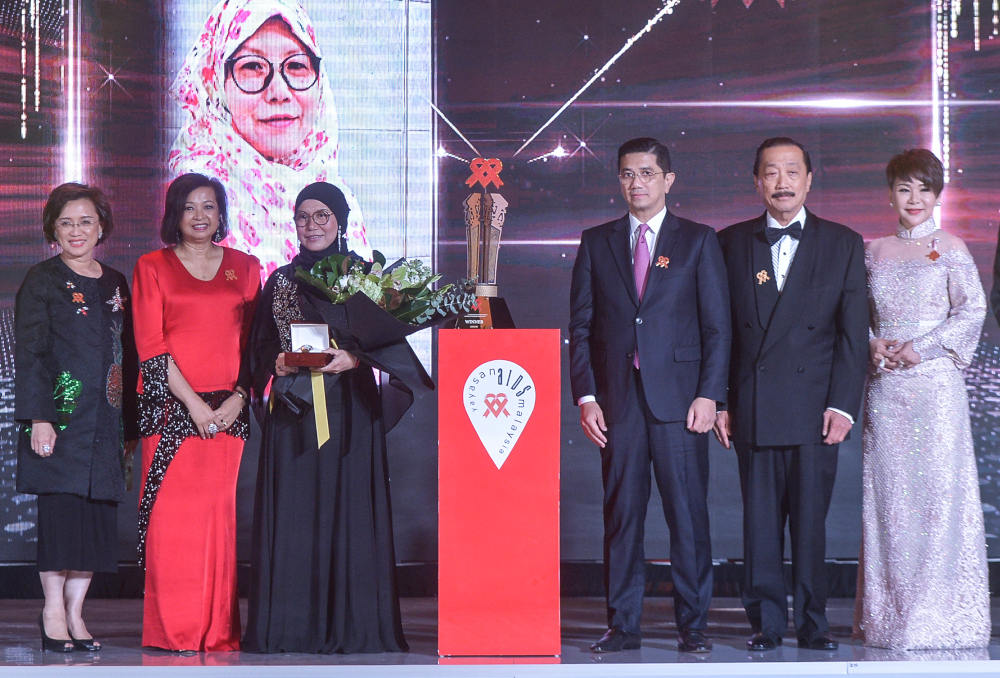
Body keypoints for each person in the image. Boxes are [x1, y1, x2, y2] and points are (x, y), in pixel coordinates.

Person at [243, 182, 430, 653]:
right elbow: (260, 348)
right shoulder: (280, 280)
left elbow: (387, 343)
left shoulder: (367, 277)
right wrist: (278, 364)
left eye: (322, 215)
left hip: (350, 412)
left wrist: (357, 358)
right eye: (303, 217)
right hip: (295, 414)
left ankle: (355, 627)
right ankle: (291, 628)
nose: (312, 225)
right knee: (297, 513)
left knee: (349, 509)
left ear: (341, 221)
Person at [568, 138, 731, 653]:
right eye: (626, 174)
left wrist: (711, 395)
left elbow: (717, 329)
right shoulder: (597, 241)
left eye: (645, 173)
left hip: (681, 401)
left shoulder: (699, 240)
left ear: (668, 180)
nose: (635, 183)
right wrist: (585, 396)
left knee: (688, 515)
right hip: (617, 401)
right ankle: (623, 624)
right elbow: (581, 326)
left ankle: (694, 625)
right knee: (622, 515)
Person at [714, 137, 868, 652]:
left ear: (808, 180)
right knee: (759, 525)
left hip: (815, 410)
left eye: (792, 172)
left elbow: (852, 335)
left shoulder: (843, 243)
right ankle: (766, 624)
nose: (782, 182)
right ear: (756, 182)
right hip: (753, 405)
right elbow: (719, 332)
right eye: (771, 173)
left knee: (809, 524)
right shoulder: (731, 243)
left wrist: (844, 404)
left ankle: (813, 623)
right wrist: (719, 400)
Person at [853, 149, 990, 649]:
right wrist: (873, 344)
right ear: (889, 192)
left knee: (938, 500)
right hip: (887, 390)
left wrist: (921, 348)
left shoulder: (951, 247)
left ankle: (942, 617)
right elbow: (855, 315)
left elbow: (971, 312)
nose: (914, 199)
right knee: (890, 504)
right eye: (904, 188)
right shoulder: (872, 252)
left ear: (937, 195)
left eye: (924, 189)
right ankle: (891, 618)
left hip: (935, 393)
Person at [132, 173, 260, 652]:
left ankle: (216, 632)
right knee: (172, 522)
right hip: (172, 410)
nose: (200, 216)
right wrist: (194, 407)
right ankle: (174, 632)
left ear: (222, 214)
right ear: (174, 215)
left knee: (216, 521)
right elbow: (151, 344)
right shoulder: (153, 266)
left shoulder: (246, 268)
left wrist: (236, 400)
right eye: (189, 207)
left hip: (229, 413)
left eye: (209, 206)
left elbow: (255, 348)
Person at [14, 183, 139, 652]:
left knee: (94, 523)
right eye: (66, 222)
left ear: (102, 226)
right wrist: (39, 417)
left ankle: (75, 613)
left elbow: (128, 354)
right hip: (61, 419)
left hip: (106, 422)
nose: (76, 230)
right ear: (52, 229)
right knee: (63, 517)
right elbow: (30, 354)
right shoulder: (42, 279)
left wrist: (130, 423)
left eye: (86, 221)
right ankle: (51, 613)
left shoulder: (115, 282)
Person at [168, 0, 372, 281]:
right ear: (216, 81)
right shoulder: (195, 194)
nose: (279, 91)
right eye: (252, 66)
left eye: (297, 65)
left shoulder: (334, 190)